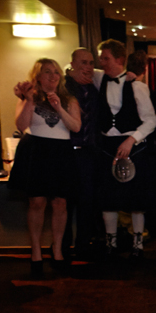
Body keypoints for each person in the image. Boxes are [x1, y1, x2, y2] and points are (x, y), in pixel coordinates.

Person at [9, 59, 82, 274]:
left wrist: (59, 107)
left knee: (60, 203)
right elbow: (21, 126)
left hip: (61, 152)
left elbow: (76, 126)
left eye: (56, 72)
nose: (52, 76)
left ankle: (57, 249)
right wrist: (30, 100)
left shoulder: (69, 99)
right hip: (36, 150)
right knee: (37, 202)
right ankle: (36, 252)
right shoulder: (28, 97)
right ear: (38, 76)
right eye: (47, 72)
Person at [94, 39, 156, 259]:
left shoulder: (138, 87)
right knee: (108, 198)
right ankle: (111, 243)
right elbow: (70, 69)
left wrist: (132, 139)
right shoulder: (98, 78)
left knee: (136, 200)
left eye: (106, 58)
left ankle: (137, 243)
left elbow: (150, 121)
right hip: (106, 147)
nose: (101, 62)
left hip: (133, 146)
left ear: (120, 60)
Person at [62, 48, 100, 260]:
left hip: (88, 152)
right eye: (83, 62)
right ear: (73, 64)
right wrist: (68, 75)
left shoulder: (94, 88)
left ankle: (84, 246)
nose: (87, 67)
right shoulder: (65, 86)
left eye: (91, 63)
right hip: (67, 151)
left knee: (87, 202)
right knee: (65, 202)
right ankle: (63, 246)